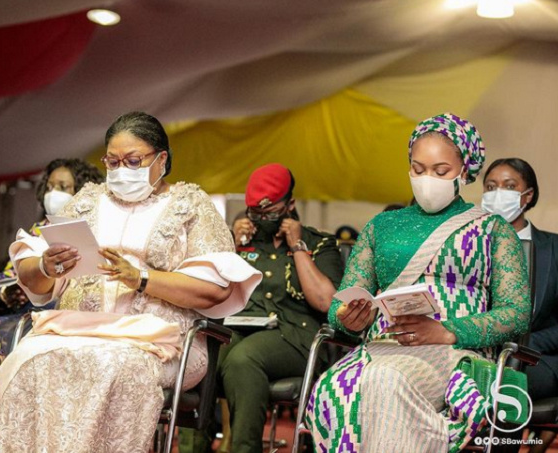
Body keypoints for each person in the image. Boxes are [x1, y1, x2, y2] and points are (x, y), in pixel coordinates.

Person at [0, 112, 261, 453]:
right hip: (76, 329)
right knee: (29, 360)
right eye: (112, 162)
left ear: (162, 159)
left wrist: (141, 278)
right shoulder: (85, 201)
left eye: (133, 160)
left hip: (159, 342)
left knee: (113, 366)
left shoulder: (191, 206)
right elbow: (31, 277)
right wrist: (45, 266)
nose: (121, 170)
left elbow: (213, 290)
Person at [305, 113, 531, 453]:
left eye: (441, 171)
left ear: (465, 172)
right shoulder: (381, 226)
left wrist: (448, 331)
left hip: (455, 352)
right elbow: (342, 303)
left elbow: (516, 313)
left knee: (383, 382)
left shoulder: (493, 229)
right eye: (418, 168)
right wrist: (350, 317)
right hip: (381, 347)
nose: (428, 179)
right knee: (337, 387)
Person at [0, 158, 104, 453]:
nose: (54, 192)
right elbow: (3, 280)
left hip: (71, 315)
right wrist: (9, 291)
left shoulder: (95, 229)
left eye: (63, 187)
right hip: (25, 313)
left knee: (4, 335)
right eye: (50, 186)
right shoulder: (39, 230)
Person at [220, 163, 343, 453]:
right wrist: (232, 248)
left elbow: (326, 302)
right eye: (256, 214)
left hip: (297, 337)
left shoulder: (319, 242)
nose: (263, 220)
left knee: (243, 359)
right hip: (242, 328)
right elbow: (214, 294)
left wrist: (298, 246)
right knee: (207, 353)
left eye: (271, 213)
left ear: (290, 204)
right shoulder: (243, 243)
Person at [482, 158, 558, 453]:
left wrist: (520, 343)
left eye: (509, 186)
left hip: (538, 359)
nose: (497, 192)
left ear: (527, 196)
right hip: (476, 353)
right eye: (490, 186)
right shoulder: (470, 244)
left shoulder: (553, 249)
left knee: (507, 381)